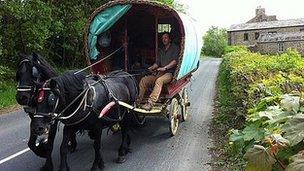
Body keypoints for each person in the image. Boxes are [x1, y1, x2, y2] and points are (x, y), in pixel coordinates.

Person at [138, 32, 179, 110]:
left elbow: (175, 61)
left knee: (159, 80)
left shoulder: (175, 48)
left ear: (169, 39)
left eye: (166, 38)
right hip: (160, 73)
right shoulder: (162, 50)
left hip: (169, 73)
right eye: (163, 38)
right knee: (144, 80)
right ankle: (138, 101)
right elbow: (157, 63)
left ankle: (150, 103)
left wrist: (165, 68)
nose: (164, 40)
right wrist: (151, 67)